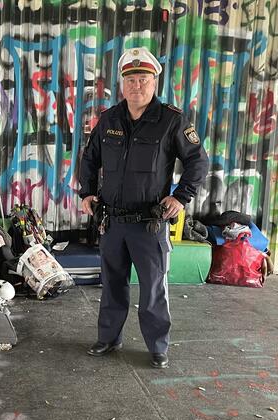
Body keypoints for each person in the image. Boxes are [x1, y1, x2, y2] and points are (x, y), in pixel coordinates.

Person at [79, 47, 209, 368]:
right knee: (112, 284)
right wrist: (87, 192)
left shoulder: (171, 120)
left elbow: (197, 161)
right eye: (131, 79)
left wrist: (181, 197)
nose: (137, 85)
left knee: (152, 288)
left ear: (155, 82)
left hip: (149, 223)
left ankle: (157, 346)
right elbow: (90, 158)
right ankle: (108, 338)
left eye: (144, 79)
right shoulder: (109, 119)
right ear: (123, 84)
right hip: (112, 222)